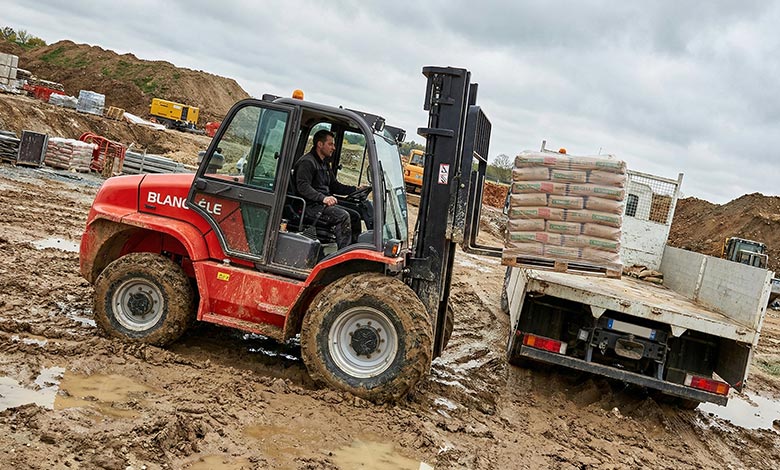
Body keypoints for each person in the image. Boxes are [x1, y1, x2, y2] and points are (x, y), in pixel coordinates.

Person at [294, 130, 365, 248]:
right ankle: (343, 253)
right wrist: (323, 198)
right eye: (330, 144)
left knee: (355, 215)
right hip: (311, 206)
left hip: (322, 204)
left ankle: (353, 249)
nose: (333, 148)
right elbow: (303, 187)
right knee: (343, 216)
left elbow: (334, 186)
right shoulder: (307, 162)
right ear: (320, 144)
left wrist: (355, 189)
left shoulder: (324, 164)